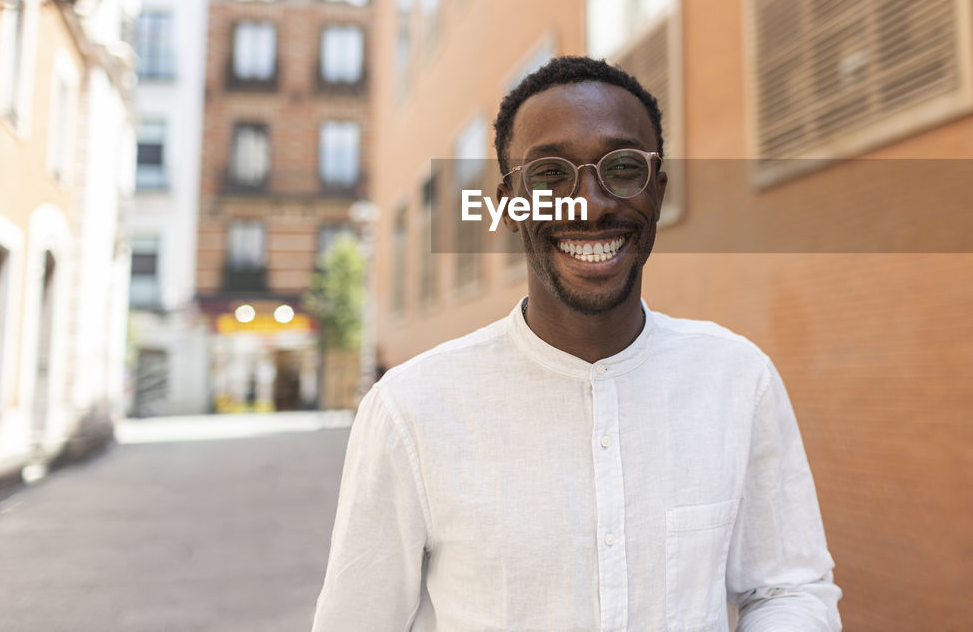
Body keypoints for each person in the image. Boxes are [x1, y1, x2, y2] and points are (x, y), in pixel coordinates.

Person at [312, 57, 841, 631]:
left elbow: (788, 588)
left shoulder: (736, 379)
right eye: (550, 175)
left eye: (622, 168)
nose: (589, 204)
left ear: (658, 193)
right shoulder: (411, 409)